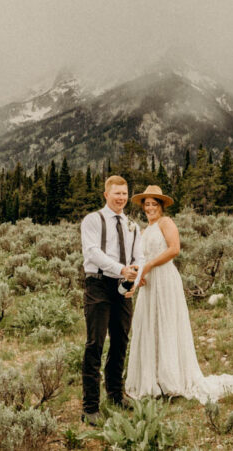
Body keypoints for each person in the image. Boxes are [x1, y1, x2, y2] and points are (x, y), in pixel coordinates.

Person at [124, 185, 233, 403]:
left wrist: (150, 265)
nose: (150, 208)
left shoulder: (166, 223)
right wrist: (139, 273)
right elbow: (140, 258)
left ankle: (171, 379)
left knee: (167, 324)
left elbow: (174, 249)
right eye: (147, 204)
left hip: (164, 279)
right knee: (149, 325)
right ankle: (152, 379)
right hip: (150, 283)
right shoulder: (143, 231)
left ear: (161, 206)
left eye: (154, 204)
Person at [80, 175, 144, 426]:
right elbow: (92, 252)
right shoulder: (92, 220)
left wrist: (133, 282)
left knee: (121, 340)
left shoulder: (132, 225)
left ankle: (116, 394)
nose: (121, 198)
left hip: (122, 287)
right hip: (98, 284)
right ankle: (90, 406)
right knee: (95, 343)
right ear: (106, 195)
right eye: (116, 193)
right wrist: (120, 269)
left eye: (125, 193)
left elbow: (139, 256)